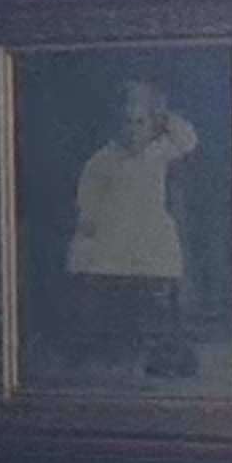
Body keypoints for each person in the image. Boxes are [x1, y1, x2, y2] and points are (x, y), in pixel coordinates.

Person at [66, 77, 200, 380]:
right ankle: (112, 347)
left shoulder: (158, 151)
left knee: (158, 293)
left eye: (140, 122)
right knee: (110, 284)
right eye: (126, 123)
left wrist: (165, 115)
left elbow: (188, 139)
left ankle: (162, 352)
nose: (133, 130)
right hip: (115, 230)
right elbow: (88, 191)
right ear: (115, 125)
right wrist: (88, 215)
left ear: (152, 125)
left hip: (150, 231)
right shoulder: (104, 159)